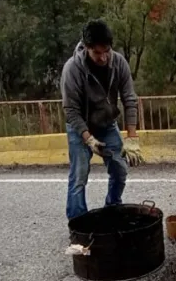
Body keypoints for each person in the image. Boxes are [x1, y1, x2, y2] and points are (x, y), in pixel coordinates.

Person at [61, 19, 143, 222]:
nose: (103, 57)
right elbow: (71, 110)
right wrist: (88, 139)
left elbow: (129, 100)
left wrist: (132, 137)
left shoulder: (119, 63)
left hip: (107, 125)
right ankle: (78, 222)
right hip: (81, 128)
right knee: (79, 176)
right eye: (97, 53)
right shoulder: (72, 69)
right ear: (86, 48)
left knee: (119, 168)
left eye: (106, 51)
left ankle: (113, 207)